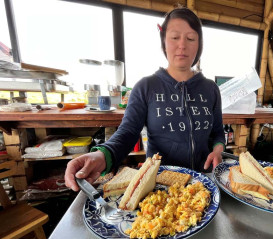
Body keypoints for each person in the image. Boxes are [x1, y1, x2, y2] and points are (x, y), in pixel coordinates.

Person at [65, 6, 225, 192]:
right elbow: (127, 132)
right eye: (174, 37)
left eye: (190, 38)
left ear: (199, 45)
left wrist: (218, 150)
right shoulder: (146, 86)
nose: (182, 45)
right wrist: (101, 156)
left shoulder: (211, 89)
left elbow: (218, 132)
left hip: (202, 183)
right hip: (158, 187)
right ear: (164, 42)